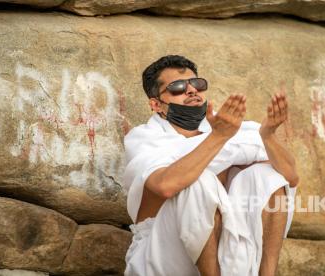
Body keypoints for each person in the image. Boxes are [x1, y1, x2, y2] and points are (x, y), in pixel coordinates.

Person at [122, 55, 299, 276]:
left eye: (197, 84)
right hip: (164, 256)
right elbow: (166, 185)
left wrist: (268, 135)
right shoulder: (145, 138)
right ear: (156, 104)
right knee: (199, 181)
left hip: (227, 246)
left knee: (267, 175)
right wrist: (218, 138)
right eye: (177, 87)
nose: (191, 91)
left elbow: (290, 177)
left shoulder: (235, 130)